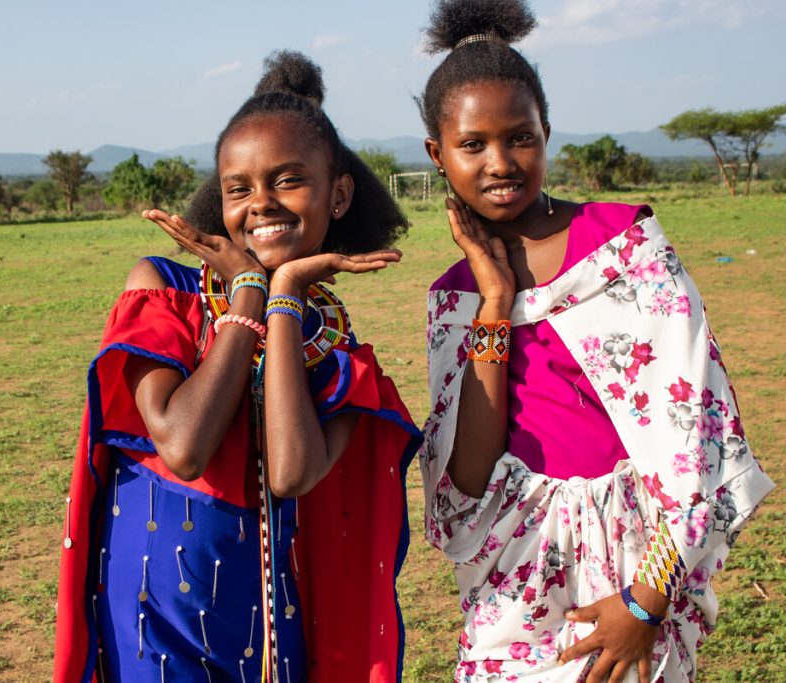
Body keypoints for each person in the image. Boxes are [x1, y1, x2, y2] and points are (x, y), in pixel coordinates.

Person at [415, 1, 774, 681]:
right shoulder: (456, 295)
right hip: (514, 581)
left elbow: (697, 433)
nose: (501, 162)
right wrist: (496, 304)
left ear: (547, 132)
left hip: (639, 567)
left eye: (520, 137)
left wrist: (644, 604)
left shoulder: (625, 246)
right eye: (472, 144)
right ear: (437, 153)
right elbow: (465, 481)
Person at [54, 51, 422, 683]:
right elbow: (184, 444)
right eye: (239, 188)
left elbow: (290, 471)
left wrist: (285, 296)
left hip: (269, 623)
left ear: (338, 195)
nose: (262, 203)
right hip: (152, 612)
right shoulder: (162, 288)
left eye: (287, 180)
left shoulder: (332, 347)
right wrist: (250, 287)